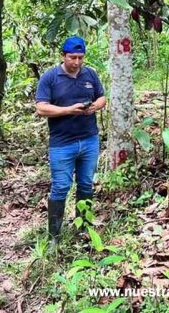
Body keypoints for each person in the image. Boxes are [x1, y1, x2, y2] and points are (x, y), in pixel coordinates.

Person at [34, 36, 106, 252]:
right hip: (62, 143)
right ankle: (54, 238)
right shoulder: (50, 78)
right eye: (72, 57)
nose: (76, 62)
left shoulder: (90, 74)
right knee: (61, 186)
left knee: (86, 184)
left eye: (80, 58)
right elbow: (41, 108)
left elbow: (102, 97)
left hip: (89, 139)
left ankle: (84, 228)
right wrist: (68, 110)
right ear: (63, 56)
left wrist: (95, 107)